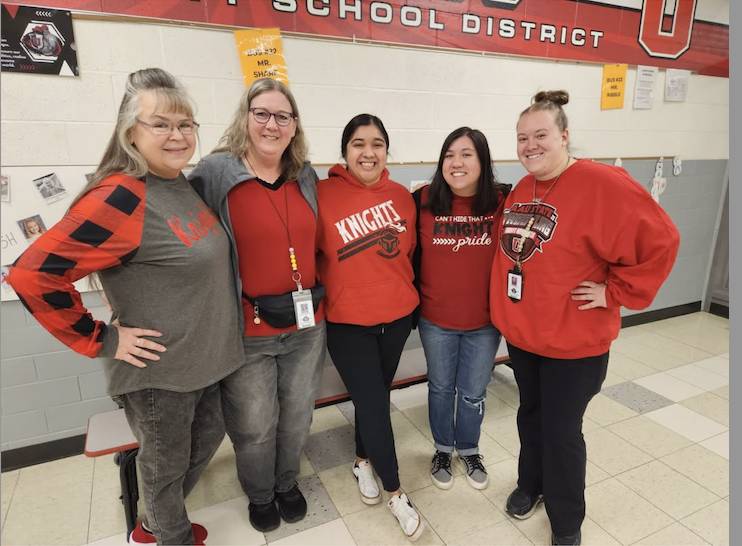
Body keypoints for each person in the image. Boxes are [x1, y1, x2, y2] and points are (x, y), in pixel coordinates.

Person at [7, 68, 245, 545]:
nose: (176, 135)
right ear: (130, 132)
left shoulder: (180, 184)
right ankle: (164, 534)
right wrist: (104, 339)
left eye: (185, 123)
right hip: (160, 377)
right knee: (164, 472)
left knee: (196, 451)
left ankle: (156, 521)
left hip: (206, 363)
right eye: (160, 124)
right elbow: (32, 274)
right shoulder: (121, 194)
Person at [490, 90, 680, 546]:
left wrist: (614, 291)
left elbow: (663, 240)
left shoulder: (603, 183)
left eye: (540, 135)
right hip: (527, 336)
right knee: (530, 417)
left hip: (574, 344)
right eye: (522, 138)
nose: (530, 145)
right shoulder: (522, 186)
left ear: (564, 136)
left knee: (561, 432)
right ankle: (530, 484)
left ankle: (566, 518)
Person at [188, 78, 326, 533]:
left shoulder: (304, 174)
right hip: (248, 331)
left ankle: (287, 483)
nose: (272, 124)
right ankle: (261, 493)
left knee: (297, 414)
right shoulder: (215, 173)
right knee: (254, 424)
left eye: (282, 116)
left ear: (294, 126)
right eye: (262, 113)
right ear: (245, 118)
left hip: (307, 326)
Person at [316, 114, 424, 541]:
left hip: (397, 318)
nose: (368, 152)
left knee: (374, 397)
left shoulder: (402, 198)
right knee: (376, 403)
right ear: (345, 151)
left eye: (377, 143)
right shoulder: (321, 194)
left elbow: (407, 254)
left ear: (386, 151)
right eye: (359, 144)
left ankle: (362, 460)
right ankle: (396, 491)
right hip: (347, 324)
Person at [412, 127, 510, 491]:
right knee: (440, 388)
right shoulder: (421, 200)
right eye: (450, 154)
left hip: (484, 322)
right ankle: (442, 448)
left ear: (483, 162)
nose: (457, 162)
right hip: (435, 320)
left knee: (473, 392)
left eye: (467, 154)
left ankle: (469, 448)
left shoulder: (504, 202)